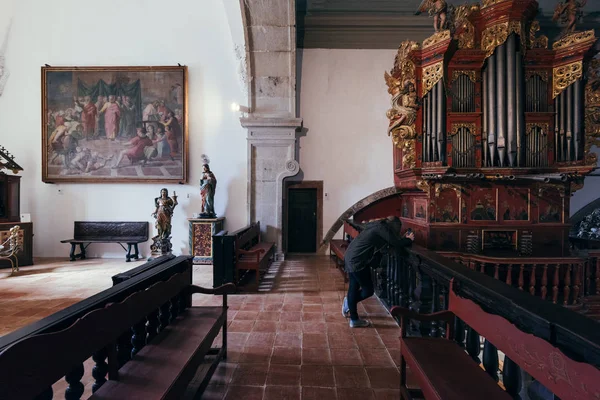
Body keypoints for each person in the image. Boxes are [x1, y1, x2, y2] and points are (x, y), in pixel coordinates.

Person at [342, 216, 414, 328]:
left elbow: (390, 241)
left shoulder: (377, 225)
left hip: (352, 256)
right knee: (368, 290)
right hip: (357, 261)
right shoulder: (382, 228)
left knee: (354, 287)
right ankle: (351, 309)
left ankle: (353, 316)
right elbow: (395, 243)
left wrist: (400, 239)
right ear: (394, 226)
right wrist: (409, 239)